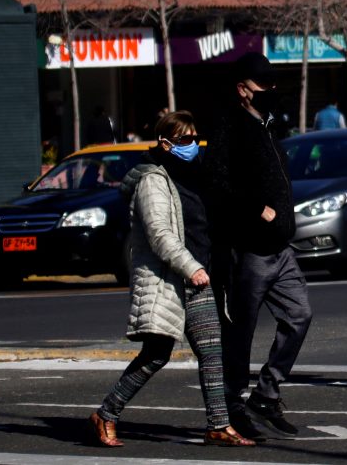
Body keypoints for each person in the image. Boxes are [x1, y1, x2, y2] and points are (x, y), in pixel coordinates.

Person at [89, 111, 254, 448]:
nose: (192, 144)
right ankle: (106, 413)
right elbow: (160, 234)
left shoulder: (194, 176)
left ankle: (218, 426)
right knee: (156, 355)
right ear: (165, 143)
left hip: (198, 280)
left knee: (211, 353)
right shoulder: (153, 179)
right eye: (184, 139)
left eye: (194, 137)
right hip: (170, 279)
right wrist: (190, 266)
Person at [204, 52, 313, 440]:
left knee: (300, 315)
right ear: (242, 90)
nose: (271, 91)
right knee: (240, 332)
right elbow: (215, 184)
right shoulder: (229, 126)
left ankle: (265, 395)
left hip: (281, 248)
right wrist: (257, 209)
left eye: (272, 84)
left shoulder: (266, 125)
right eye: (263, 85)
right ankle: (232, 406)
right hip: (248, 249)